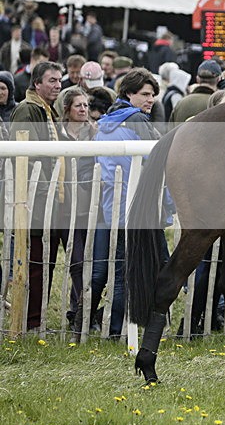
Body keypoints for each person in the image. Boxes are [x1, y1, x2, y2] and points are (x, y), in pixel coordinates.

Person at [89, 68, 164, 337]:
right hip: (138, 207)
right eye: (145, 94)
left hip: (113, 206)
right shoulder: (138, 121)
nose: (151, 99)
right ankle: (130, 328)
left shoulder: (106, 120)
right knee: (153, 269)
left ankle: (113, 327)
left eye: (153, 94)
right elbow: (158, 163)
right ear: (128, 93)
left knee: (120, 271)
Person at [9, 61, 64, 329]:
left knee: (45, 261)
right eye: (52, 80)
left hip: (47, 196)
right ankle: (30, 321)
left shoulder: (47, 111)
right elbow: (24, 157)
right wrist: (41, 189)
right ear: (37, 83)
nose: (57, 85)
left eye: (59, 80)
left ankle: (36, 317)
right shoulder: (28, 110)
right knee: (35, 262)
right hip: (34, 198)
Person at [57, 88, 96, 327]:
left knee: (89, 261)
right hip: (65, 206)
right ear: (67, 109)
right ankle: (82, 310)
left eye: (86, 105)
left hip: (90, 205)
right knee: (77, 261)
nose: (83, 110)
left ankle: (78, 310)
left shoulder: (95, 133)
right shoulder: (58, 136)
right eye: (78, 105)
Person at [169, 60, 221, 124]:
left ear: (197, 79)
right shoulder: (220, 104)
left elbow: (171, 131)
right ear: (219, 79)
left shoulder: (181, 103)